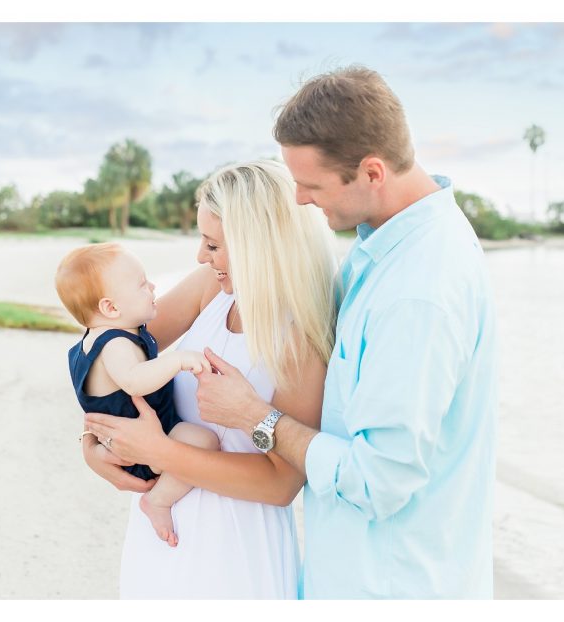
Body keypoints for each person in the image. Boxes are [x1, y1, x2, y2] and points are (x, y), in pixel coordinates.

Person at [190, 66, 499, 599]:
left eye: (310, 185)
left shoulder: (419, 290)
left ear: (372, 173)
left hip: (393, 590)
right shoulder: (379, 250)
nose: (300, 201)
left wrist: (254, 417)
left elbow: (379, 482)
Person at [82, 160, 337, 599]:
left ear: (258, 245)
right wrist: (92, 444)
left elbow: (281, 484)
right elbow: (110, 358)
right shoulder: (210, 289)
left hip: (234, 547)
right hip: (159, 528)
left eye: (213, 245)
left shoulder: (301, 335)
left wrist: (159, 450)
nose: (202, 256)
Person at [55, 243, 217, 547]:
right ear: (111, 308)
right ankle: (158, 500)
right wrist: (177, 361)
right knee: (204, 442)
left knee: (199, 441)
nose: (153, 287)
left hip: (133, 441)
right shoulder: (115, 344)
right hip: (141, 449)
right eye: (143, 284)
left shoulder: (99, 337)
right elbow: (133, 381)